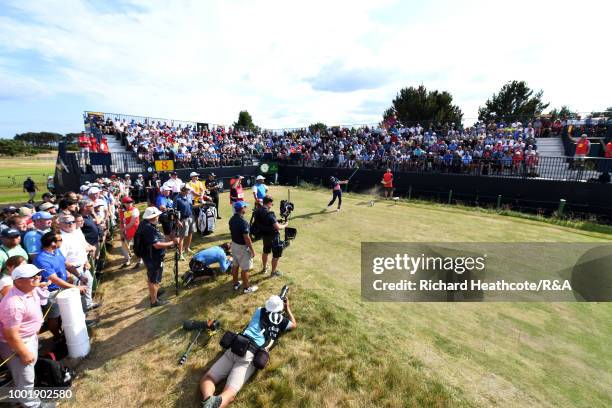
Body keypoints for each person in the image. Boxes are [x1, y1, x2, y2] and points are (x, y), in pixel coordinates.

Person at [200, 292, 297, 408]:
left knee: (208, 378)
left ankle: (208, 399)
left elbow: (267, 309)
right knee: (230, 393)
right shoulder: (282, 320)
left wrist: (275, 302)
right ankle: (213, 406)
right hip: (250, 354)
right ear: (281, 309)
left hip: (236, 344)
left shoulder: (259, 310)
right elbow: (294, 324)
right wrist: (288, 308)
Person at [0, 263, 46, 408]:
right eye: (32, 276)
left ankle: (16, 400)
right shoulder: (13, 304)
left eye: (38, 274)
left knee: (22, 376)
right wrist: (24, 352)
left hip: (28, 339)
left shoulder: (32, 290)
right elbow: (11, 335)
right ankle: (33, 405)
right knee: (26, 379)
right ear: (18, 281)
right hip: (17, 345)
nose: (37, 277)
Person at [34, 232, 88, 337]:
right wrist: (76, 287)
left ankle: (70, 331)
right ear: (53, 243)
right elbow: (55, 280)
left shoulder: (57, 251)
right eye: (60, 240)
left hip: (63, 288)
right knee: (54, 316)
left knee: (68, 311)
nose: (62, 241)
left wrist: (80, 276)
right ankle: (57, 336)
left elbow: (67, 264)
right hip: (51, 293)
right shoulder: (41, 259)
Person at [136, 207, 179, 307]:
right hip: (153, 257)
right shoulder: (148, 228)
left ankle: (155, 293)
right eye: (157, 216)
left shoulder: (145, 224)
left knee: (151, 277)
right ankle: (154, 301)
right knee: (154, 279)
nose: (158, 217)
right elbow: (156, 245)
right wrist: (172, 242)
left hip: (149, 256)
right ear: (152, 217)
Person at [57, 214, 98, 311]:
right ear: (61, 224)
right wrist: (68, 273)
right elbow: (62, 259)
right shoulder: (61, 239)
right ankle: (82, 312)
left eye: (73, 222)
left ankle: (88, 304)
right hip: (72, 271)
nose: (71, 224)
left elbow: (82, 249)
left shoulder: (77, 233)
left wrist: (86, 261)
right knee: (77, 293)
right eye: (67, 222)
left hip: (83, 266)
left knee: (89, 282)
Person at [254, 196, 288, 277]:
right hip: (273, 236)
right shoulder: (270, 214)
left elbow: (265, 222)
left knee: (265, 251)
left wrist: (276, 221)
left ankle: (264, 268)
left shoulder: (257, 211)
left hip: (265, 236)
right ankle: (273, 272)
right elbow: (278, 227)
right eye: (271, 203)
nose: (272, 205)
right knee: (276, 254)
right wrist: (285, 225)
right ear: (269, 203)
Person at [229, 201, 257, 294]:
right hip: (242, 248)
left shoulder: (232, 219)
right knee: (245, 269)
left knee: (235, 265)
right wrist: (252, 250)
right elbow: (247, 238)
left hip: (234, 245)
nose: (246, 208)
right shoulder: (243, 222)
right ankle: (246, 288)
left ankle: (235, 283)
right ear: (242, 209)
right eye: (245, 207)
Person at [118, 196, 141, 268]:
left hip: (136, 231)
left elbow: (132, 222)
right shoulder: (121, 211)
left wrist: (122, 230)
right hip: (126, 231)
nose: (130, 203)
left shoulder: (135, 210)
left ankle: (139, 261)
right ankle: (128, 260)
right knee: (124, 246)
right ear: (124, 203)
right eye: (127, 202)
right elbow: (121, 222)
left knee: (137, 246)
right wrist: (122, 233)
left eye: (131, 202)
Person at [175, 186, 196, 259]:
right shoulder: (177, 198)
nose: (188, 191)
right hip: (182, 220)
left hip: (190, 217)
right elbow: (174, 211)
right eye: (187, 190)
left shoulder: (188, 196)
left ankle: (187, 248)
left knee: (190, 233)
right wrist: (177, 221)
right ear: (182, 190)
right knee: (182, 237)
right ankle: (180, 254)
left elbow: (190, 206)